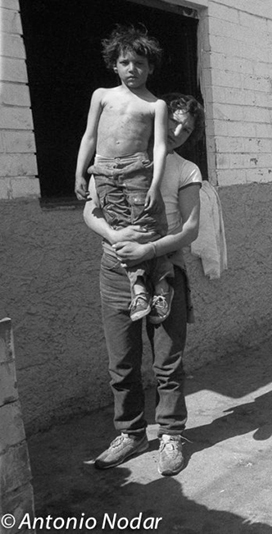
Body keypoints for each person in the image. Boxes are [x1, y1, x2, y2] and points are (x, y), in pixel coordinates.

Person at [83, 93, 204, 476]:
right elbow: (90, 210)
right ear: (161, 118)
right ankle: (131, 433)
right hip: (116, 271)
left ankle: (170, 434)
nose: (179, 131)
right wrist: (117, 239)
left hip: (165, 272)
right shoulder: (119, 161)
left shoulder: (186, 171)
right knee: (122, 363)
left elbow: (189, 230)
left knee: (167, 364)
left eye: (188, 127)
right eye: (176, 122)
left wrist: (147, 248)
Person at [74, 25, 172, 323]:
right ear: (114, 65)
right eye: (125, 62)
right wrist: (80, 172)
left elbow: (160, 147)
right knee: (119, 229)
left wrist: (155, 184)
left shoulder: (155, 104)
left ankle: (164, 284)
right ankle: (139, 287)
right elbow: (89, 136)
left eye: (140, 64)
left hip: (137, 169)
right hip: (103, 172)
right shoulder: (102, 96)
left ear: (150, 68)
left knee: (146, 227)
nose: (133, 69)